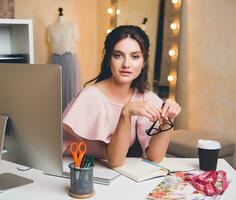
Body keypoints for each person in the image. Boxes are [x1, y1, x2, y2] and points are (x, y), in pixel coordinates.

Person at [62, 25, 181, 167]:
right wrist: (126, 112)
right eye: (118, 55)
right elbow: (115, 161)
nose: (126, 64)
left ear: (143, 62)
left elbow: (154, 157)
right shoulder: (90, 97)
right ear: (108, 59)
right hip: (78, 171)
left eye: (135, 57)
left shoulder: (147, 98)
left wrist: (168, 119)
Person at [48, 8, 81, 111]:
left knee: (70, 87)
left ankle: (70, 116)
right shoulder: (50, 28)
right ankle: (57, 116)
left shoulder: (72, 26)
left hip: (69, 59)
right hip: (55, 60)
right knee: (56, 88)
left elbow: (76, 40)